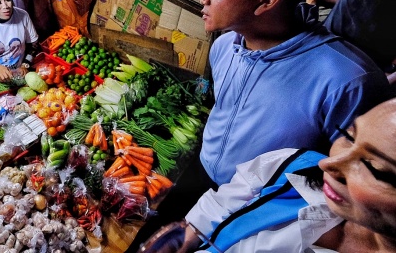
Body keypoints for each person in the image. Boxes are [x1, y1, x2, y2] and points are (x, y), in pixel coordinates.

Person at [198, 0, 392, 187]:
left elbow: (352, 183)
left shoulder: (347, 81)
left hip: (267, 215)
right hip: (205, 183)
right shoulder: (224, 46)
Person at [162, 97, 396, 252]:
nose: (328, 163)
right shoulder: (296, 166)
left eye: (374, 167)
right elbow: (226, 202)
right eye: (349, 136)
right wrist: (186, 238)